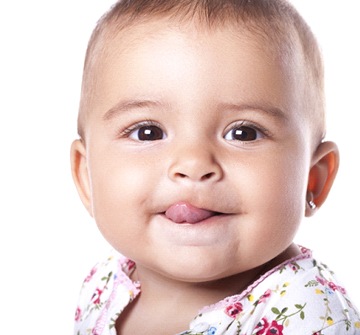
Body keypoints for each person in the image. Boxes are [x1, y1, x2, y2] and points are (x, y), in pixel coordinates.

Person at [70, 0, 360, 334]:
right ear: (86, 176)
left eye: (243, 132)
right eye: (147, 132)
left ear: (313, 180)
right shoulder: (103, 286)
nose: (193, 164)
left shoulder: (306, 318)